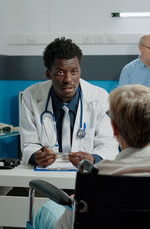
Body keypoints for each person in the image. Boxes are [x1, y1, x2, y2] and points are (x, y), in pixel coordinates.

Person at [35, 84, 150, 229]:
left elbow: (64, 227)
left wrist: (75, 202)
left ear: (114, 128)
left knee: (46, 209)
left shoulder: (98, 175)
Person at [20, 37, 118, 167]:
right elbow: (28, 143)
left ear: (80, 71)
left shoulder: (99, 97)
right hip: (46, 173)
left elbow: (108, 144)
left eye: (74, 72)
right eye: (60, 72)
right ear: (48, 74)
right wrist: (36, 156)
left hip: (86, 174)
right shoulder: (31, 96)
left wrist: (93, 158)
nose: (68, 79)